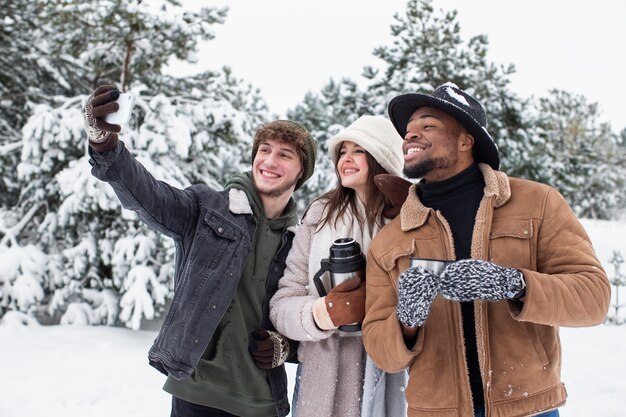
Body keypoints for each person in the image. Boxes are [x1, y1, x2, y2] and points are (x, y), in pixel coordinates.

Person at [362, 82, 611, 417]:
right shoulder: (390, 240)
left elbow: (593, 299)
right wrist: (406, 320)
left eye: (428, 125)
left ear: (467, 141)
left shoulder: (537, 203)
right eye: (408, 131)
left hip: (528, 407)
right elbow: (381, 350)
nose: (411, 135)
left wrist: (515, 284)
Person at [83, 85, 318, 417]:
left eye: (285, 154)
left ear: (301, 172)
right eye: (264, 150)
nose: (269, 161)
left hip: (265, 402)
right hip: (198, 393)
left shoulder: (301, 241)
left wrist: (285, 347)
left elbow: (303, 316)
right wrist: (106, 146)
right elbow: (148, 195)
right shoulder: (208, 208)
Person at [270, 115, 407, 417]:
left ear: (381, 157)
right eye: (342, 152)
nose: (345, 158)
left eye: (358, 150)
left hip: (387, 370)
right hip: (323, 379)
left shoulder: (407, 217)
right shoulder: (320, 214)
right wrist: (324, 313)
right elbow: (282, 305)